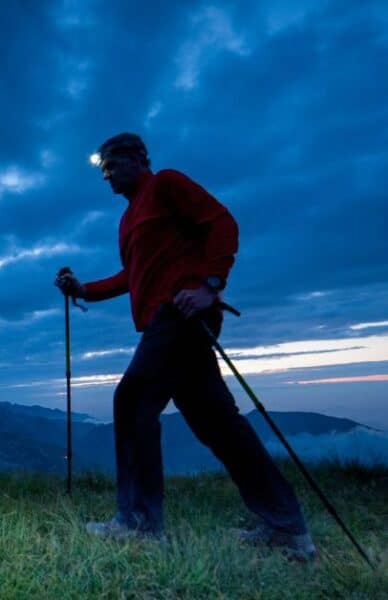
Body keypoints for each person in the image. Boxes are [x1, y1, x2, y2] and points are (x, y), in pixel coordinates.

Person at [55, 132, 316, 561]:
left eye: (111, 165)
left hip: (180, 314)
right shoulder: (128, 220)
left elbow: (222, 223)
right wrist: (83, 289)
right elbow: (131, 275)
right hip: (172, 323)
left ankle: (138, 523)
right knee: (218, 423)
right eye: (102, 169)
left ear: (139, 159)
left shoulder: (166, 185)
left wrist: (210, 286)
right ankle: (287, 528)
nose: (106, 176)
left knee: (133, 400)